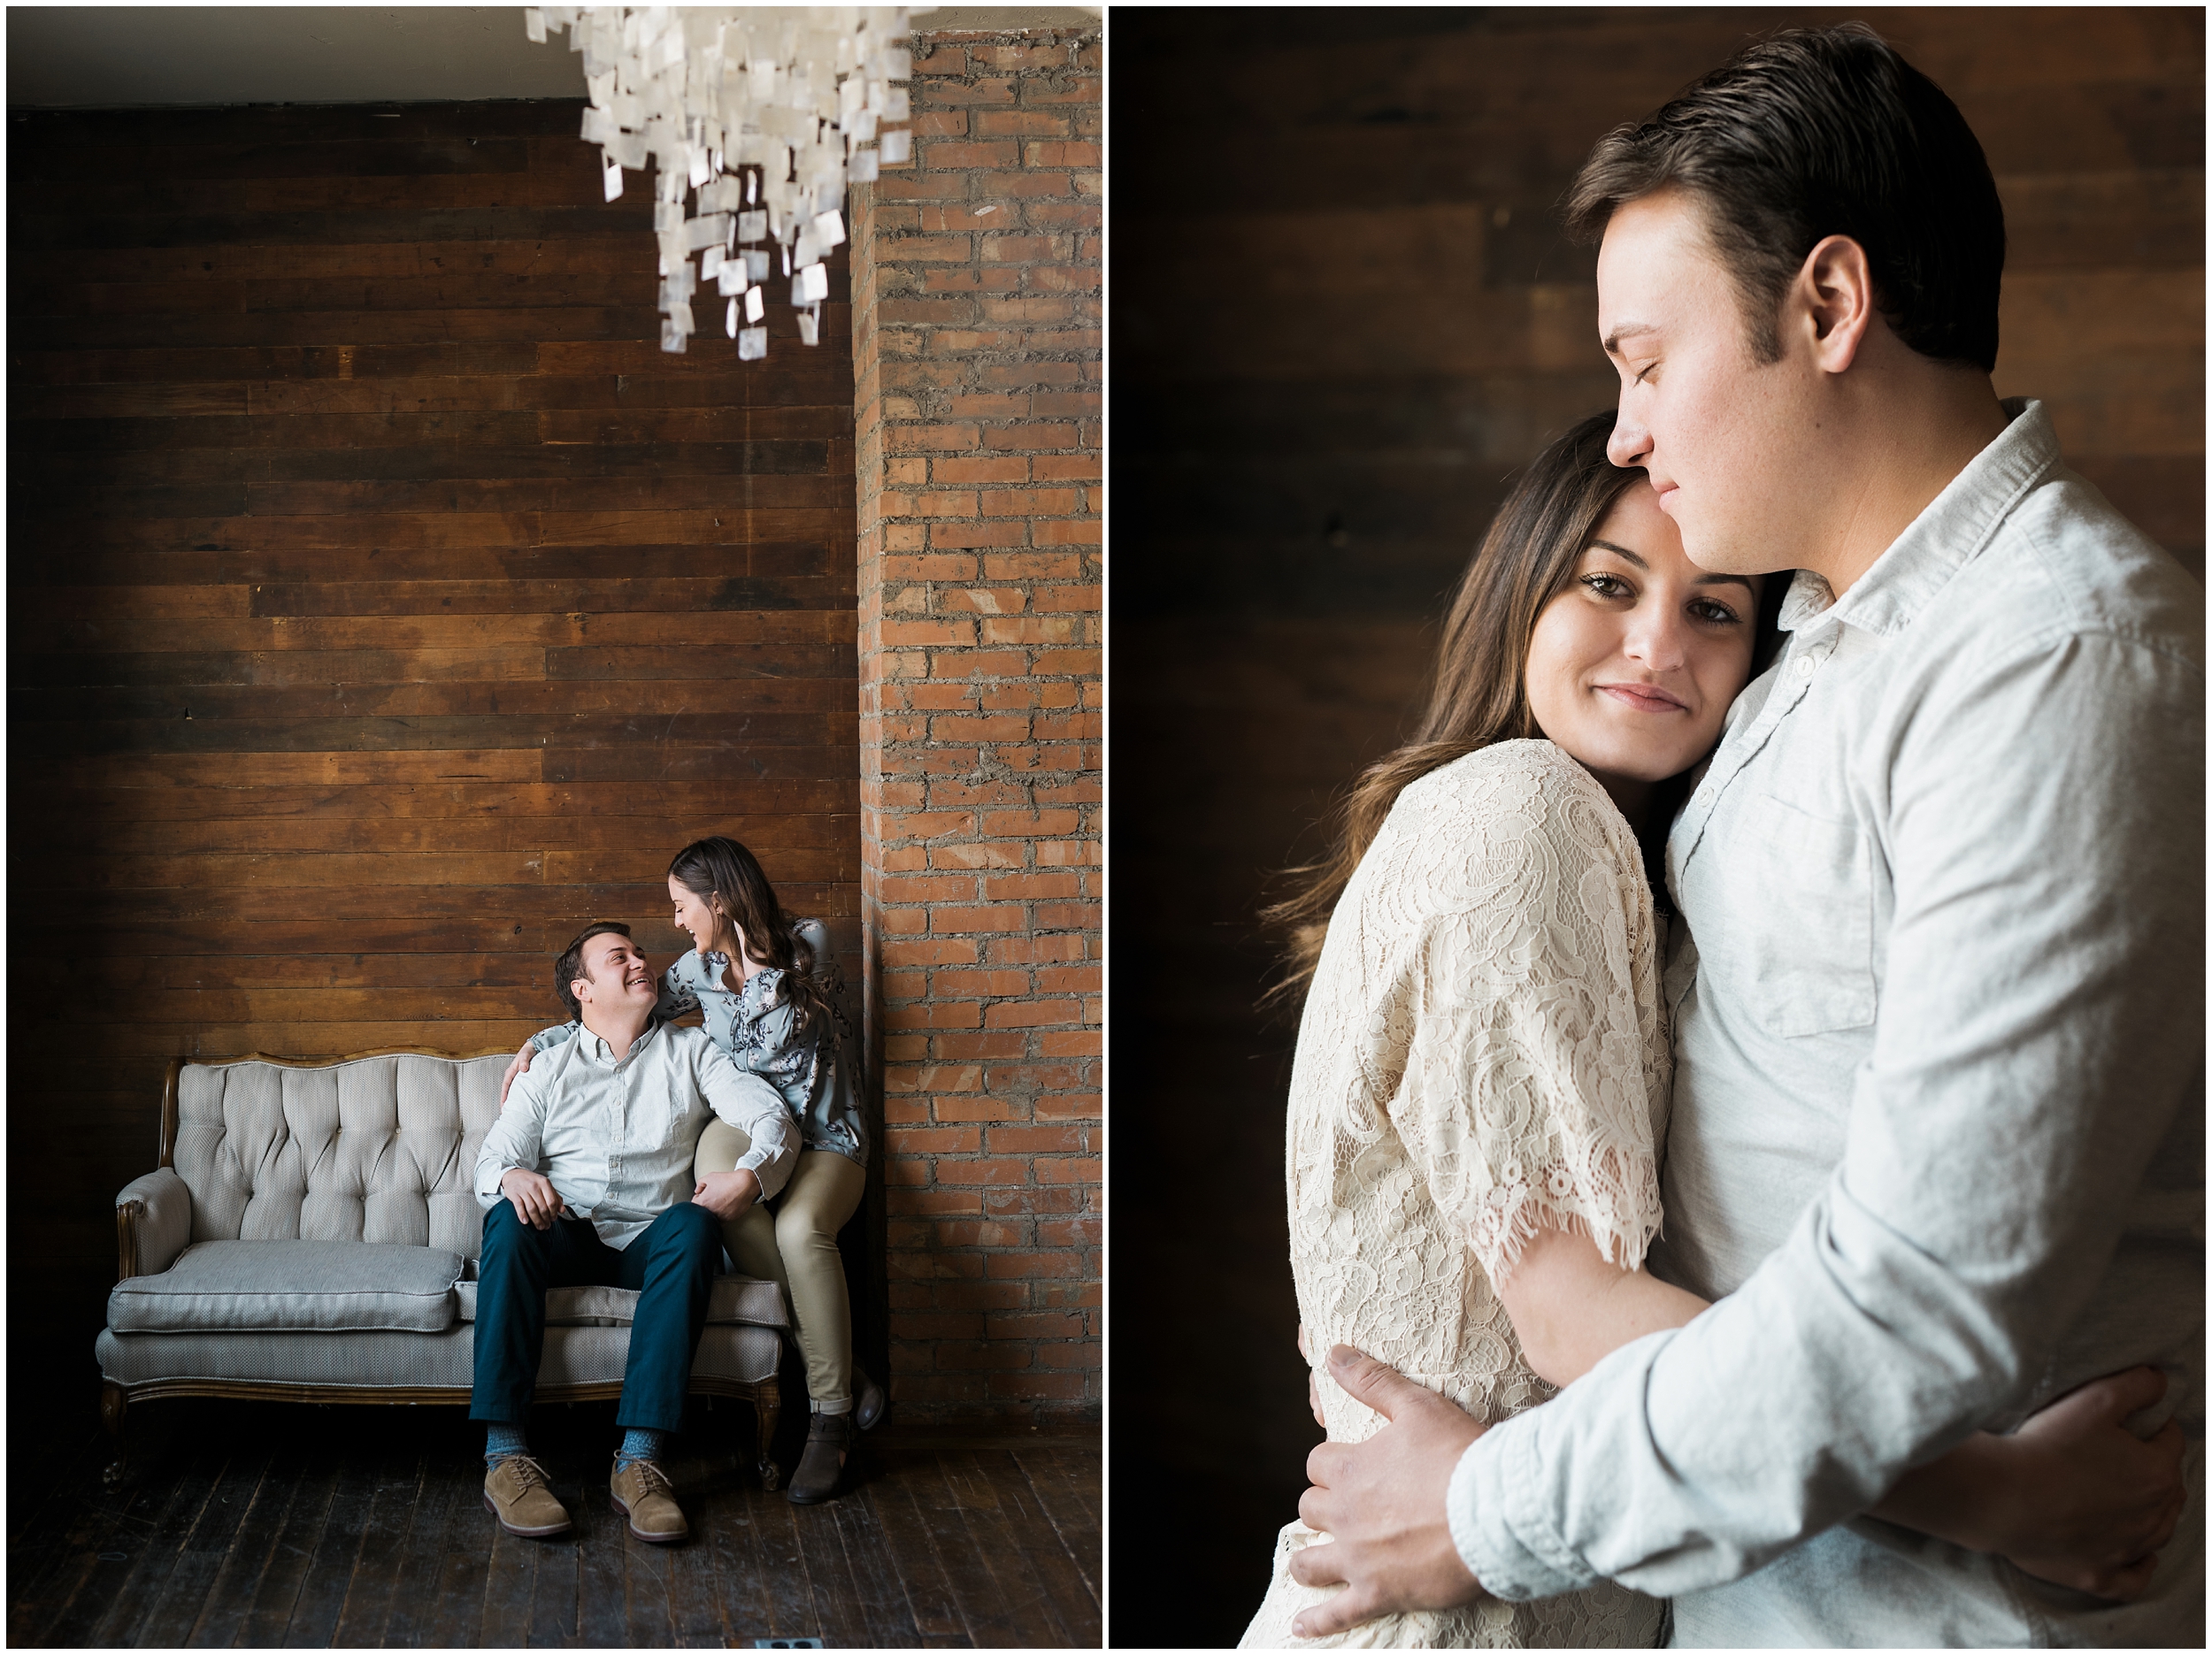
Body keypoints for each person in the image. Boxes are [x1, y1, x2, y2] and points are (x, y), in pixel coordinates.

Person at [1287, 24, 2201, 1647]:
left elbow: (1918, 1303)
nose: (1625, 429)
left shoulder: (2051, 656)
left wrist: (1491, 1505)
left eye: (1645, 358)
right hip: (1750, 1586)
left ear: (1828, 307)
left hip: (1944, 1615)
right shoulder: (1811, 648)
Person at [503, 836, 879, 1504]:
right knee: (713, 1192)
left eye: (683, 905)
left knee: (798, 1232)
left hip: (823, 1132)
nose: (676, 922)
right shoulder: (696, 967)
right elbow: (615, 1014)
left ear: (720, 899)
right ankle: (834, 1360)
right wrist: (541, 1041)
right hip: (749, 1123)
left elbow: (787, 1029)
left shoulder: (806, 946)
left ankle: (832, 1412)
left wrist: (746, 959)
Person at [472, 921, 798, 1544]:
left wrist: (751, 1178)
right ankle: (505, 1459)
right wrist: (514, 1176)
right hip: (564, 1234)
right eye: (617, 957)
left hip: (649, 1246)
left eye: (640, 952)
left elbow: (770, 1116)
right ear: (584, 989)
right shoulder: (547, 1066)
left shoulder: (694, 1052)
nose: (639, 961)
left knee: (695, 1223)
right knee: (506, 1218)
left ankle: (640, 1461)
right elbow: (492, 1160)